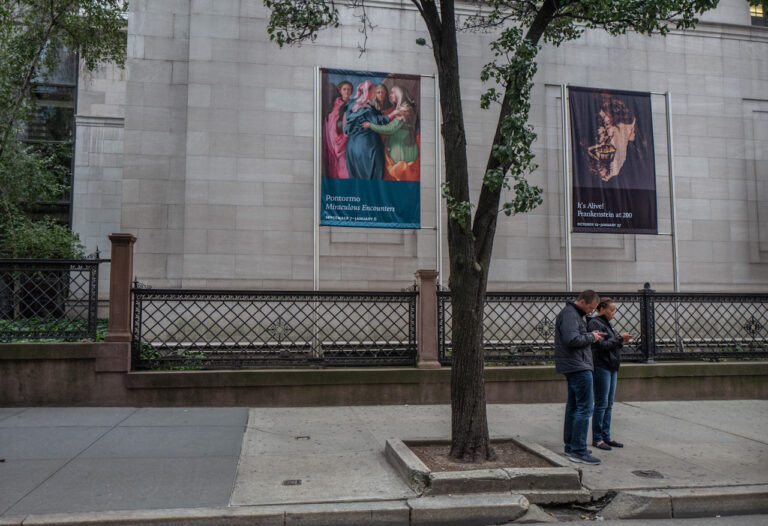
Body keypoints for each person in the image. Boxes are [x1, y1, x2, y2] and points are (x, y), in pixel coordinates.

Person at [554, 290, 606, 466]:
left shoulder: (573, 314)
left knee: (575, 406)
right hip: (577, 366)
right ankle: (578, 449)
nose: (591, 312)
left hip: (575, 365)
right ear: (582, 301)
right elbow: (571, 339)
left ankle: (571, 446)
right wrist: (592, 337)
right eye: (590, 308)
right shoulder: (570, 315)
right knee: (584, 408)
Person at [588, 297, 632, 451]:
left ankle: (606, 436)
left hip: (612, 366)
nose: (613, 313)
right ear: (602, 309)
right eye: (611, 310)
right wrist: (619, 339)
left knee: (609, 404)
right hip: (602, 366)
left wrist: (620, 342)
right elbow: (601, 346)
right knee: (601, 404)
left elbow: (611, 344)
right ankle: (597, 438)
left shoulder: (608, 324)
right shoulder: (595, 323)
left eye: (614, 310)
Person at [361, 85, 420, 181]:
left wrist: (370, 125)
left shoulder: (404, 110)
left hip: (402, 149)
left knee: (400, 175)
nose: (390, 95)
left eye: (392, 93)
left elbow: (390, 129)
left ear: (399, 95)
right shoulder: (404, 108)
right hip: (402, 146)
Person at [344, 80, 390, 180]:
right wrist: (393, 114)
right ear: (367, 92)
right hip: (368, 147)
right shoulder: (366, 108)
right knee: (370, 177)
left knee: (357, 178)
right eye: (374, 91)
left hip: (352, 146)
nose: (375, 93)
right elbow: (379, 121)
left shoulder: (351, 105)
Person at [323, 80, 353, 179]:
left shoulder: (354, 105)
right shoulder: (333, 106)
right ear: (340, 91)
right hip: (334, 140)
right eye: (344, 89)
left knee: (346, 169)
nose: (347, 92)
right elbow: (329, 124)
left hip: (348, 140)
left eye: (349, 89)